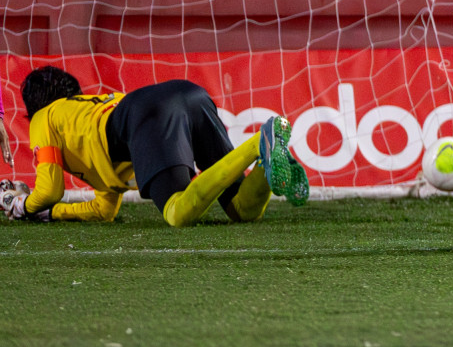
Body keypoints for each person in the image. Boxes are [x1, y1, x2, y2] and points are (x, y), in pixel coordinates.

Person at [0, 67, 308, 227]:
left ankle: (259, 142)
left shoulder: (43, 118)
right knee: (242, 210)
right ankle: (270, 154)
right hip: (189, 94)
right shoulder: (86, 119)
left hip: (149, 112)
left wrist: (22, 206)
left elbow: (49, 190)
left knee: (177, 213)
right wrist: (52, 215)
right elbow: (104, 210)